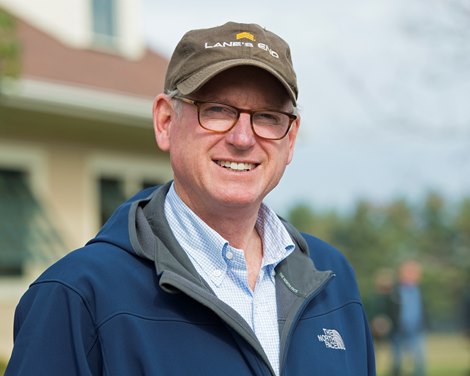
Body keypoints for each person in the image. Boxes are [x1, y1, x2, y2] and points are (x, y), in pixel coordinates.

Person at [6, 22, 375, 375]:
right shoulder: (78, 295)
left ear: (290, 139)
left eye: (266, 116)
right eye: (216, 110)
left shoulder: (332, 280)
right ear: (165, 122)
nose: (243, 138)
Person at [389, 260, 427, 376]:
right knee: (397, 359)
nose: (410, 275)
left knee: (419, 359)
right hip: (398, 329)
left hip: (416, 329)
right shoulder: (395, 291)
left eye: (413, 272)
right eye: (407, 272)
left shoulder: (419, 291)